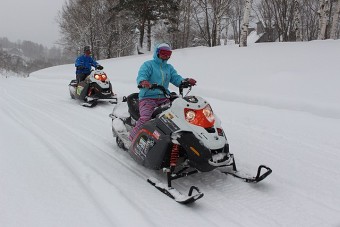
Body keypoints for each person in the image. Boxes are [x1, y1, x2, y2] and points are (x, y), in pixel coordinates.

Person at [129, 43, 196, 141]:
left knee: (176, 116)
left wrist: (185, 81)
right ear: (157, 53)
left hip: (164, 97)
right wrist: (143, 81)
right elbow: (142, 75)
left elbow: (176, 78)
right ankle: (132, 138)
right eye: (163, 53)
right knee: (146, 118)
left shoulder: (169, 68)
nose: (166, 56)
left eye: (168, 53)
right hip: (148, 97)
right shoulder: (148, 65)